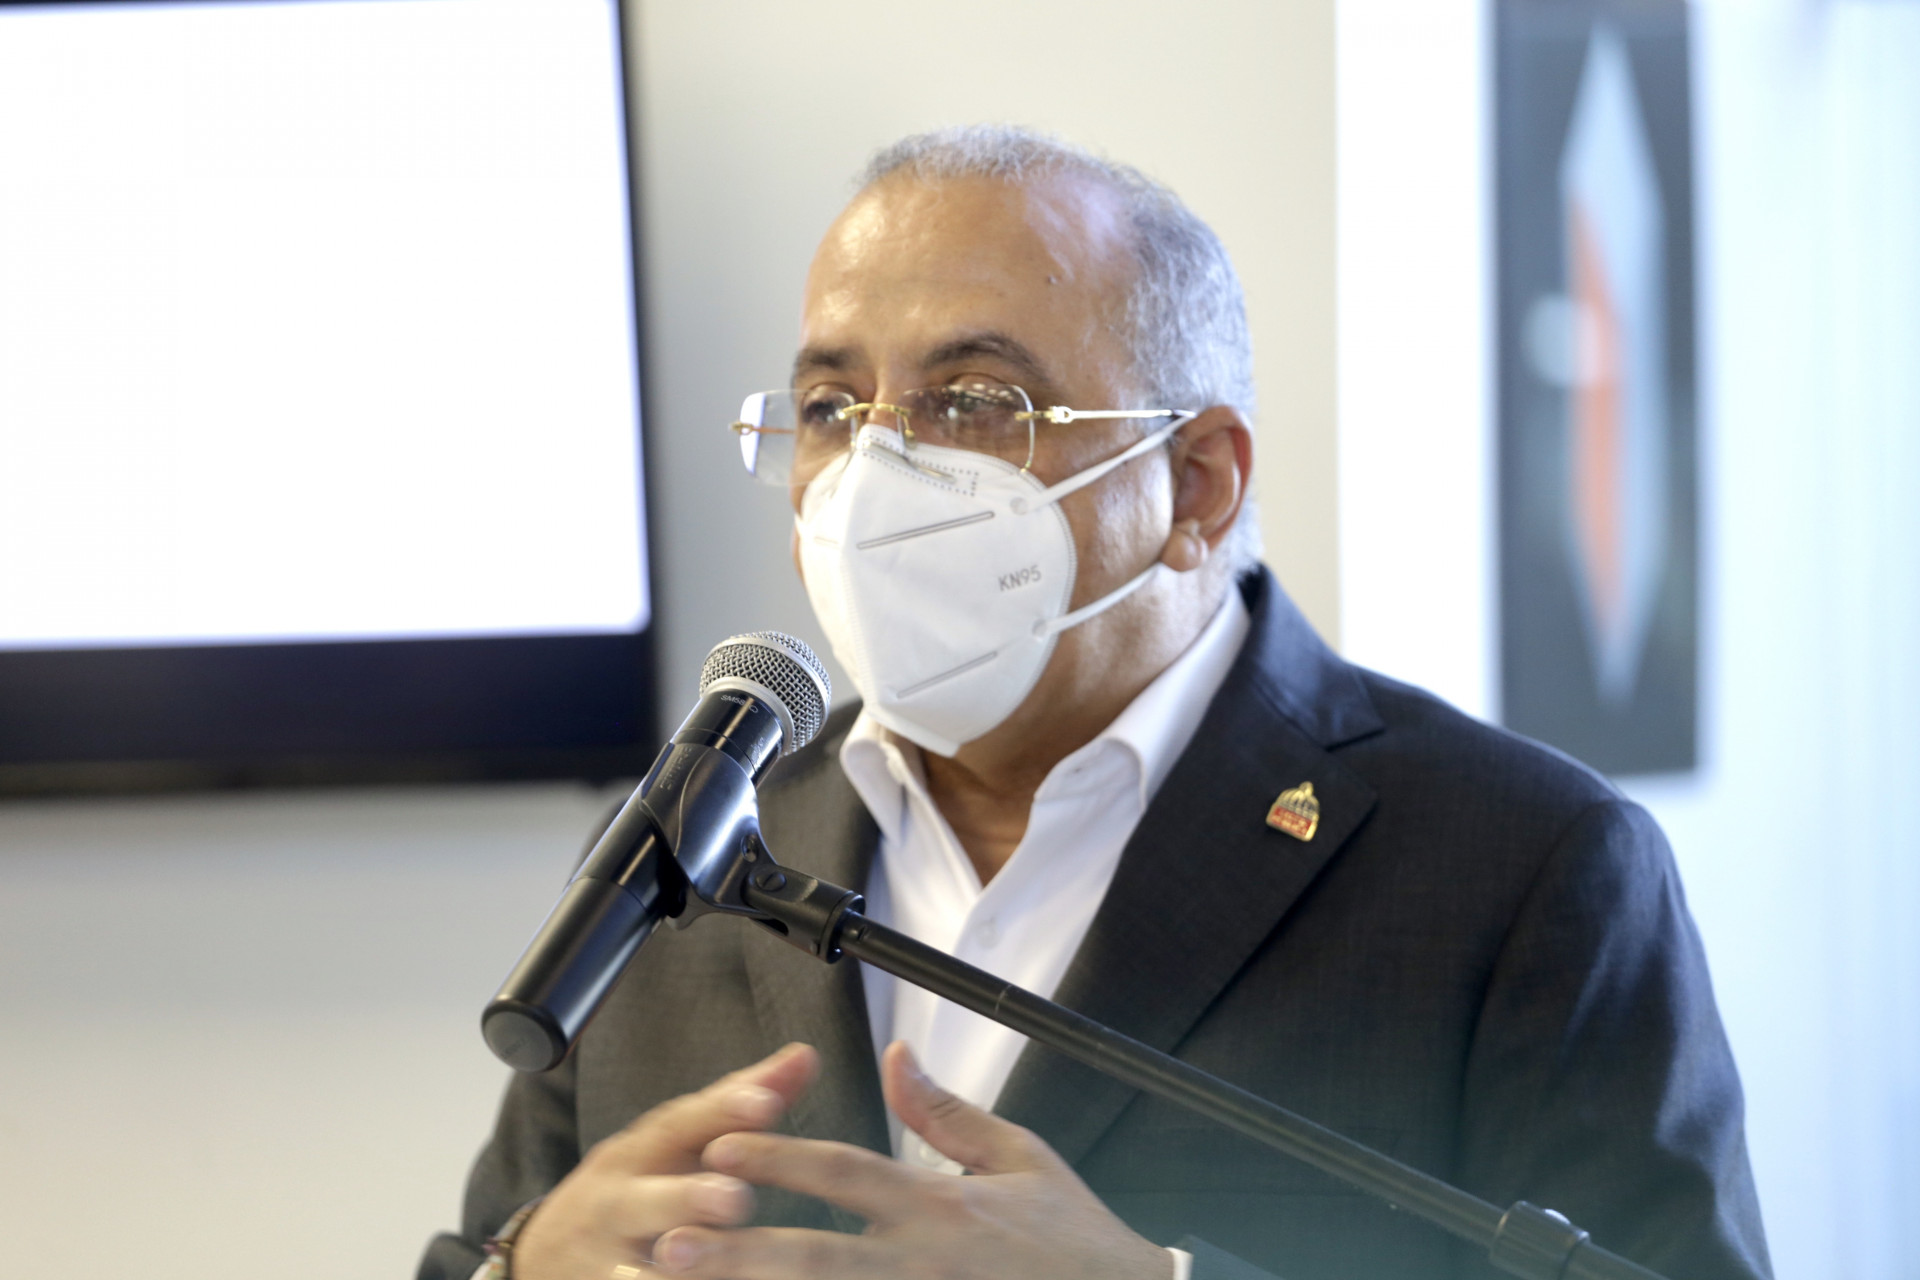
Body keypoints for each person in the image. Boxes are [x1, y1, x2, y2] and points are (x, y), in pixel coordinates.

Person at [420, 126, 1770, 1280]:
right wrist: (517, 1268)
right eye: (831, 405)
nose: (873, 475)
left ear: (1199, 486)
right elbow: (484, 1247)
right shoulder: (691, 857)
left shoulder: (1523, 870)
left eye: (974, 400)